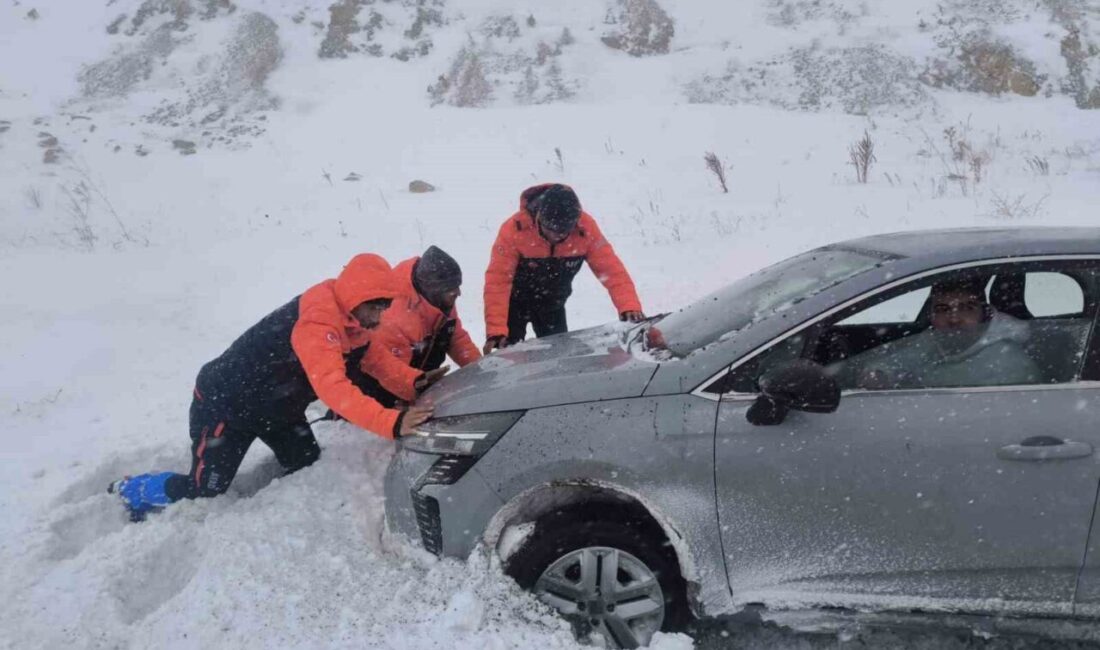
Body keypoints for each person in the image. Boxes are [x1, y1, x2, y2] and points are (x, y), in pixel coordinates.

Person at [109, 254, 433, 521]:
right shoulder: (318, 322)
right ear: (356, 297)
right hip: (227, 406)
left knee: (305, 461)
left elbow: (374, 359)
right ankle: (132, 490)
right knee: (205, 489)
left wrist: (412, 382)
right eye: (375, 307)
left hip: (278, 408)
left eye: (384, 307)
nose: (380, 316)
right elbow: (334, 389)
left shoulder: (355, 319)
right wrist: (391, 423)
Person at [482, 183, 645, 353]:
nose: (556, 236)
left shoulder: (586, 228)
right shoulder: (514, 229)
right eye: (550, 229)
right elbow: (497, 282)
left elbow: (612, 271)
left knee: (559, 358)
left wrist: (629, 306)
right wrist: (496, 331)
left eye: (563, 231)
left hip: (552, 305)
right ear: (539, 216)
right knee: (507, 359)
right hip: (512, 305)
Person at [837, 279, 1040, 390]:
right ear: (931, 315)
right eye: (943, 309)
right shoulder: (933, 341)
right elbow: (901, 361)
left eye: (966, 308)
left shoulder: (1009, 364)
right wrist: (879, 373)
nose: (954, 318)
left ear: (984, 314)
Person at [347, 246, 481, 407]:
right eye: (452, 290)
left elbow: (456, 339)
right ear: (434, 291)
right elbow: (392, 373)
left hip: (417, 376)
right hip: (379, 393)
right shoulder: (396, 315)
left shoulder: (441, 301)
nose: (458, 293)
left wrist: (480, 369)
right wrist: (414, 400)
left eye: (457, 286)